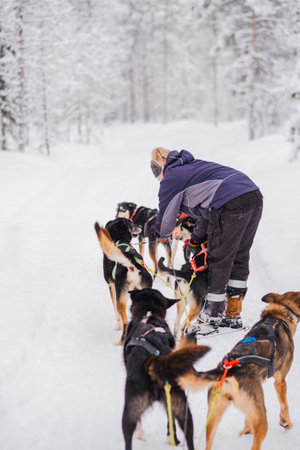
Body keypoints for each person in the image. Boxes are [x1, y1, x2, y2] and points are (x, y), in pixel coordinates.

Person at [151, 147, 263, 336]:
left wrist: (160, 236)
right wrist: (195, 240)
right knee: (240, 255)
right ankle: (232, 314)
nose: (158, 180)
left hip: (230, 203)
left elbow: (165, 218)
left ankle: (212, 317)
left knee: (219, 258)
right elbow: (206, 213)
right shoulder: (193, 168)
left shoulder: (171, 178)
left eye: (156, 174)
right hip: (253, 196)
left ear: (160, 168)